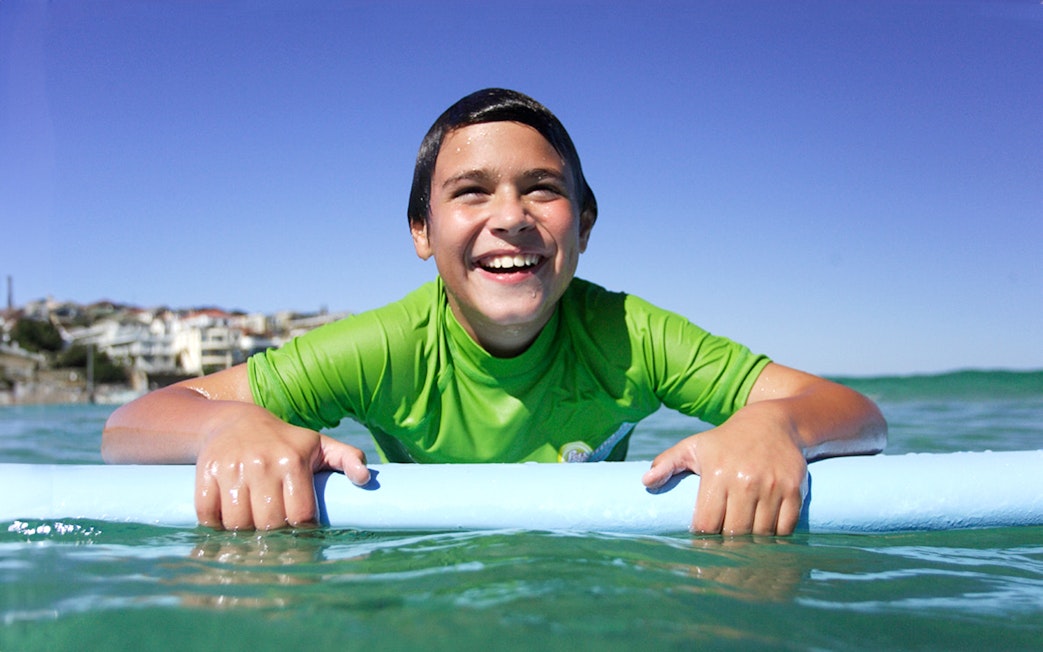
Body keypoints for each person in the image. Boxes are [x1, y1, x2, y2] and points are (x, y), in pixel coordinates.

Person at [102, 88, 886, 535]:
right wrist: (226, 427)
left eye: (542, 189)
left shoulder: (629, 335)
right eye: (470, 191)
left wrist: (775, 426)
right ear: (421, 232)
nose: (509, 216)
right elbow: (133, 425)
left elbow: (853, 413)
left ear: (582, 224)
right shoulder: (386, 348)